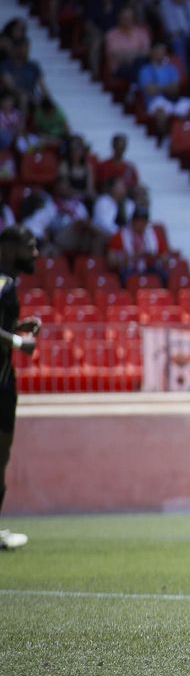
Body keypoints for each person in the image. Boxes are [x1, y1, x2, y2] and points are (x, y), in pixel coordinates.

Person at [0, 227, 40, 550]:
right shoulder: (2, 282)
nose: (36, 253)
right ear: (10, 248)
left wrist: (17, 328)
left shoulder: (8, 285)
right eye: (30, 246)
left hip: (5, 381)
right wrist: (16, 340)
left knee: (2, 458)